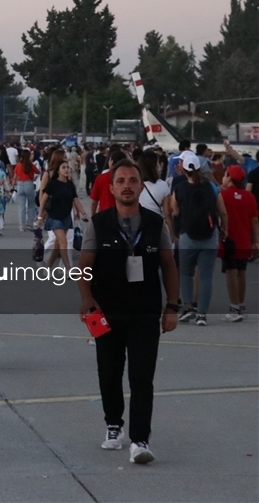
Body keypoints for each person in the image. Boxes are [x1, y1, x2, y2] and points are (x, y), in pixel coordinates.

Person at [77, 159, 180, 464]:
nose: (127, 186)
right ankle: (113, 425)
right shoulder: (98, 223)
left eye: (132, 181)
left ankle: (140, 440)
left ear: (141, 186)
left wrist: (172, 306)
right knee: (108, 373)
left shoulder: (154, 223)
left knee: (142, 377)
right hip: (106, 311)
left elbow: (169, 266)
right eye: (120, 181)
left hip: (145, 312)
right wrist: (86, 299)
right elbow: (84, 266)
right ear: (112, 187)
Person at [170, 151, 227, 326]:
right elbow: (222, 211)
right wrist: (224, 229)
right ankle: (202, 314)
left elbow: (175, 211)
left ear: (183, 169)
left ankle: (188, 308)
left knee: (186, 272)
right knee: (206, 276)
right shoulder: (211, 187)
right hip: (210, 235)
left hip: (188, 235)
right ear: (201, 167)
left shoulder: (180, 188)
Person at [218, 166, 256, 322]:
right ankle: (240, 305)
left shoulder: (222, 195)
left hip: (229, 240)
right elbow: (254, 220)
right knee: (241, 272)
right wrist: (256, 241)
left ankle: (234, 307)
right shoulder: (249, 197)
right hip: (245, 240)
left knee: (231, 272)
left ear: (229, 177)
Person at [36, 159, 88, 270]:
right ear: (58, 171)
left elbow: (76, 199)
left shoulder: (70, 185)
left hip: (66, 216)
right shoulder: (52, 183)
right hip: (54, 217)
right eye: (63, 167)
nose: (66, 169)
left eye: (67, 167)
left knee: (58, 244)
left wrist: (82, 213)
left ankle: (48, 267)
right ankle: (68, 269)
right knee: (63, 242)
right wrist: (40, 216)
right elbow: (43, 201)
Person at [90, 150, 128, 215]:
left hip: (104, 215)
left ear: (112, 162)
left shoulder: (101, 178)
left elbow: (94, 202)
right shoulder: (128, 178)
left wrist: (93, 217)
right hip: (124, 215)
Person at [13, 150, 39, 232]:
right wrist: (34, 178)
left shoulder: (18, 165)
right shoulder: (31, 165)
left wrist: (13, 186)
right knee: (31, 205)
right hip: (29, 184)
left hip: (20, 185)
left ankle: (22, 226)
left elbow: (14, 177)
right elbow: (38, 172)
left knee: (22, 207)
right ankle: (29, 224)